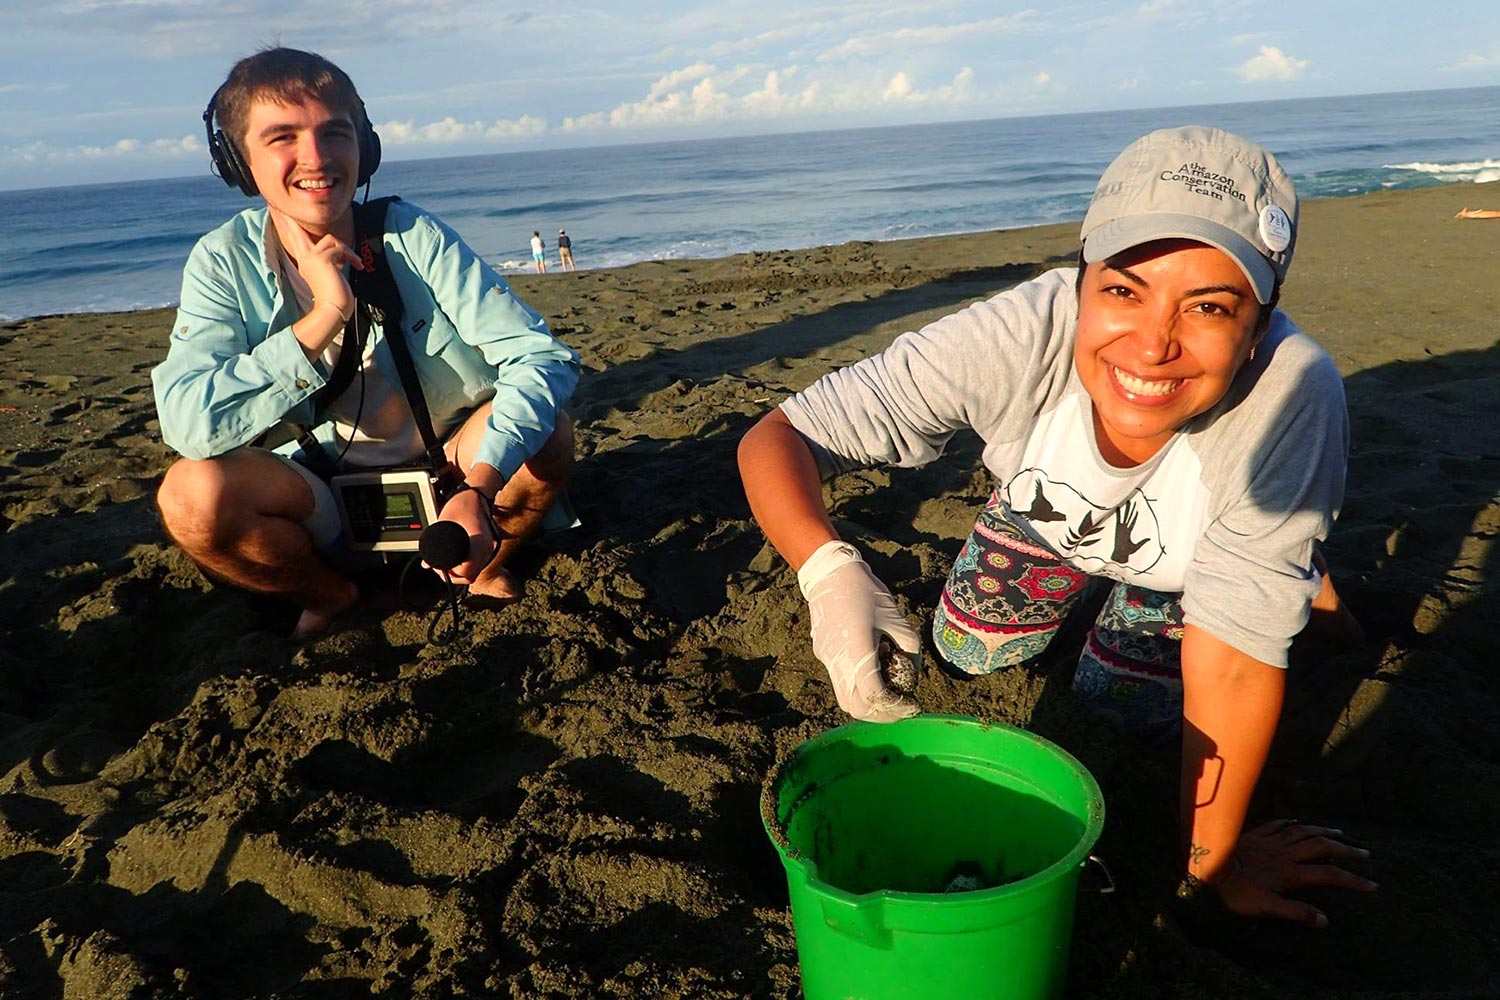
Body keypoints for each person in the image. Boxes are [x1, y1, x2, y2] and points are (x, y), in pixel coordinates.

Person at [739, 126, 1376, 927]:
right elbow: (781, 436)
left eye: (1210, 306)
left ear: (1258, 327)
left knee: (1118, 710)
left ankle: (1287, 573)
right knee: (967, 652)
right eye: (1123, 290)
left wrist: (1212, 863)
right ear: (1080, 283)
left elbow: (1237, 667)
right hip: (1051, 521)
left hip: (1187, 567)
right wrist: (827, 570)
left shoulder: (1294, 395)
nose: (1152, 343)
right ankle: (1284, 567)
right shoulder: (1021, 332)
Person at [152, 47, 580, 640]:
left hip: (452, 481)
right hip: (317, 495)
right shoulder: (223, 261)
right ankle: (333, 594)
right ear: (238, 160)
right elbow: (189, 425)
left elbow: (541, 357)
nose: (317, 157)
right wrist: (324, 316)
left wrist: (478, 487)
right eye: (282, 137)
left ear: (365, 146)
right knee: (190, 498)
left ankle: (480, 570)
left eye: (335, 132)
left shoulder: (412, 235)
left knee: (551, 432)